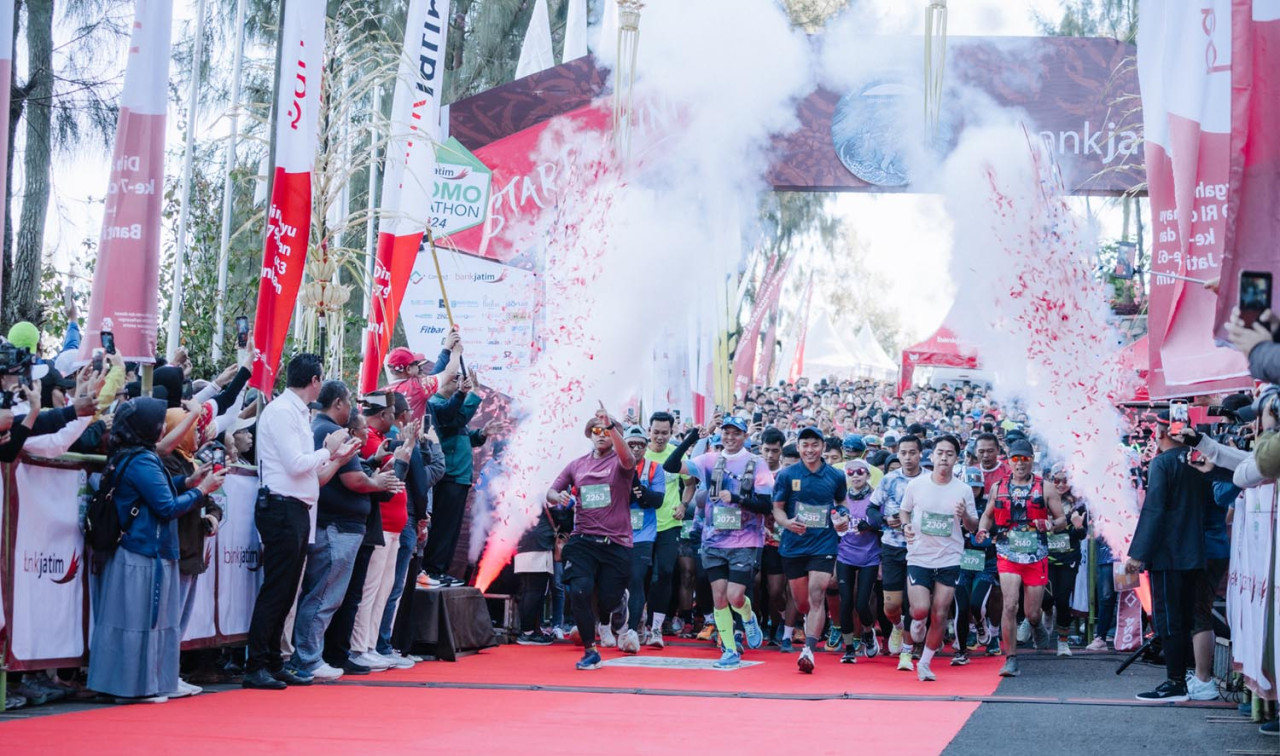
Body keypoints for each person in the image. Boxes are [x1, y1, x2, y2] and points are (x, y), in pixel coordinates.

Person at [87, 397, 227, 703]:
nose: (163, 425)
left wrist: (188, 481)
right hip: (144, 549)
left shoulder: (131, 454)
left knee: (138, 622)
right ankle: (138, 687)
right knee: (144, 622)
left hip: (137, 547)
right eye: (158, 421)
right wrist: (201, 491)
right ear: (146, 427)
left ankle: (138, 685)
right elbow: (165, 507)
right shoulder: (143, 460)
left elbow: (158, 491)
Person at [243, 355, 360, 691]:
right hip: (281, 507)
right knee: (276, 590)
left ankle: (273, 662)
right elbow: (297, 464)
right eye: (321, 379)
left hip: (295, 508)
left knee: (287, 592)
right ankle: (255, 666)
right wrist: (328, 449)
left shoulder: (296, 412)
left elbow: (306, 470)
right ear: (314, 381)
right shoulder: (282, 412)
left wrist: (333, 455)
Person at [291, 382, 403, 681]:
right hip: (336, 527)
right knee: (325, 595)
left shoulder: (325, 428)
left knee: (329, 595)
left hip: (340, 526)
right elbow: (353, 480)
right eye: (350, 401)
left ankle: (310, 656)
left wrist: (372, 468)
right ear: (339, 403)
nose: (354, 408)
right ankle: (308, 657)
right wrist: (376, 482)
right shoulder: (329, 431)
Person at [1125, 411, 1228, 702]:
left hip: (1170, 552)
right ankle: (1189, 679)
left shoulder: (1163, 462)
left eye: (1157, 430)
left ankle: (1175, 682)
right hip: (1200, 550)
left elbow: (1154, 509)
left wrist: (1138, 553)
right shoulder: (1201, 459)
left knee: (1169, 619)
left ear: (1163, 434)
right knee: (1192, 616)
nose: (1154, 435)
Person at [663, 416, 774, 668]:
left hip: (745, 540)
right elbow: (671, 465)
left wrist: (736, 498)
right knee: (719, 599)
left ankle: (748, 616)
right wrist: (695, 435)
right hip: (713, 540)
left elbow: (766, 505)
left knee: (736, 596)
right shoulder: (710, 460)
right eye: (726, 433)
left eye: (736, 433)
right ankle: (729, 650)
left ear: (745, 436)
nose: (730, 437)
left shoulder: (757, 464)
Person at [547, 409, 637, 670]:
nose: (601, 434)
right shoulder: (577, 465)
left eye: (606, 431)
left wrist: (613, 427)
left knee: (608, 599)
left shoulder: (621, 463)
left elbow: (629, 459)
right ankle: (590, 650)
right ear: (589, 434)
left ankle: (619, 604)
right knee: (580, 591)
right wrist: (559, 497)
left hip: (616, 543)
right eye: (596, 430)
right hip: (583, 540)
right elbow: (552, 490)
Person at [976, 438, 1067, 678]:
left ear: (1032, 460)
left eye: (1025, 459)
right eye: (1015, 459)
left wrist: (1050, 523)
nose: (1020, 464)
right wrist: (983, 529)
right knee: (1010, 604)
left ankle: (1036, 624)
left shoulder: (1045, 487)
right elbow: (987, 515)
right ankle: (1011, 659)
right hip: (1007, 551)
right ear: (1009, 461)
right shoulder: (998, 487)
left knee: (1031, 612)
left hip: (1036, 554)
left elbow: (1062, 520)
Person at [899, 434, 978, 681]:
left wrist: (965, 515)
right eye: (940, 453)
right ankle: (916, 625)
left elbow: (974, 527)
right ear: (931, 456)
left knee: (940, 613)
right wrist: (905, 526)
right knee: (921, 609)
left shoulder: (964, 490)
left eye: (950, 454)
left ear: (956, 458)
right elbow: (904, 511)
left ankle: (925, 663)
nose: (944, 457)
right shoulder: (917, 485)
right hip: (920, 556)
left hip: (950, 558)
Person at [349, 393, 418, 670]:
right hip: (381, 526)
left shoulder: (381, 439)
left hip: (394, 527)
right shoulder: (369, 442)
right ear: (380, 415)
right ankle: (359, 646)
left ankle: (371, 644)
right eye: (391, 412)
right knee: (370, 590)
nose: (396, 417)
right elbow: (396, 469)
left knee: (383, 590)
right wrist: (409, 444)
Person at [771, 426, 848, 674]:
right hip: (794, 545)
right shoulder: (787, 475)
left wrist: (842, 517)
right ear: (799, 447)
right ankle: (807, 621)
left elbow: (841, 504)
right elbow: (777, 508)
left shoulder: (835, 476)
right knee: (803, 602)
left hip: (824, 543)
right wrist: (786, 523)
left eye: (815, 445)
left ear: (823, 447)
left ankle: (809, 651)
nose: (810, 450)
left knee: (818, 593)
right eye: (805, 445)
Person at [422, 366, 493, 587]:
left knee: (451, 530)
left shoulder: (451, 406)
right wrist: (472, 394)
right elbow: (455, 422)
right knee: (443, 527)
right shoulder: (435, 405)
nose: (458, 385)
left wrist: (481, 434)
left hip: (460, 475)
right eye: (454, 380)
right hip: (448, 475)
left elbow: (461, 434)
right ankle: (432, 570)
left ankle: (440, 570)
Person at [867, 434, 925, 671]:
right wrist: (883, 520)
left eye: (912, 452)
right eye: (903, 453)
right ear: (897, 454)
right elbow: (871, 509)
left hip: (921, 550)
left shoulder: (930, 479)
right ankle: (898, 628)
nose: (908, 457)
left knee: (915, 604)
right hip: (892, 547)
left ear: (920, 453)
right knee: (891, 606)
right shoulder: (889, 480)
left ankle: (907, 653)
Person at [642, 411, 685, 649]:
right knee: (642, 575)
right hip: (642, 525)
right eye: (656, 432)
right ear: (649, 430)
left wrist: (683, 504)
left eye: (665, 433)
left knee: (666, 572)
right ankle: (640, 624)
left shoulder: (676, 454)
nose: (660, 437)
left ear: (671, 432)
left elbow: (690, 484)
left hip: (670, 523)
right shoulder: (640, 453)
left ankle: (657, 627)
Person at [622, 425, 666, 652]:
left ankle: (631, 630)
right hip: (617, 532)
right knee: (614, 582)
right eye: (631, 444)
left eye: (641, 444)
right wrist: (635, 493)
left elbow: (657, 501)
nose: (637, 449)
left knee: (637, 578)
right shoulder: (615, 465)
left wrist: (640, 491)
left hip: (643, 534)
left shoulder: (654, 468)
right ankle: (608, 624)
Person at [836, 459, 881, 663]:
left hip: (870, 556)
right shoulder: (841, 498)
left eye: (860, 472)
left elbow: (884, 526)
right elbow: (833, 524)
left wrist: (870, 526)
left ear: (868, 475)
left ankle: (868, 633)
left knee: (862, 603)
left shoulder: (875, 498)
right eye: (851, 472)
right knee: (845, 602)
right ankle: (849, 648)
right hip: (845, 554)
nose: (855, 476)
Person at [1045, 466, 1088, 657]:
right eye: (1057, 480)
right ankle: (1044, 614)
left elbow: (1081, 534)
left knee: (1063, 599)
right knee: (1045, 598)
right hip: (1046, 557)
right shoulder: (1042, 500)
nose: (1061, 484)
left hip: (1069, 557)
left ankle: (1063, 641)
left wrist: (1077, 527)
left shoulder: (1079, 504)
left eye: (1065, 480)